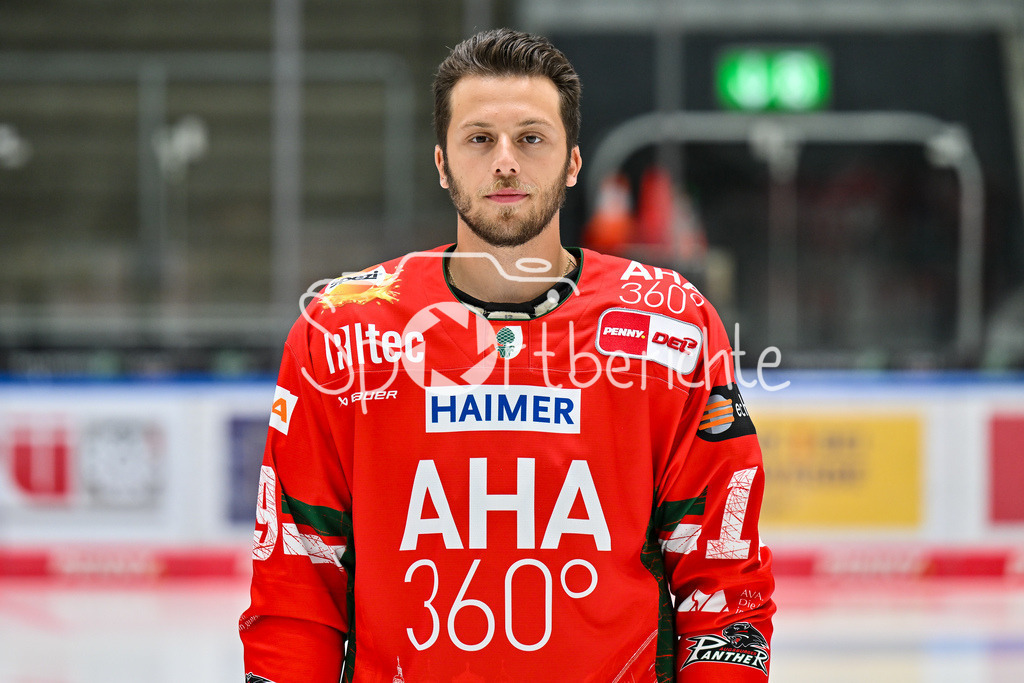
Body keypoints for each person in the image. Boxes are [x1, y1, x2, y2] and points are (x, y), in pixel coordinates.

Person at [240, 28, 775, 682]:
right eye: (479, 138)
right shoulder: (344, 330)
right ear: (441, 162)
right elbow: (296, 582)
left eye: (531, 138)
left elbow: (725, 582)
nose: (505, 162)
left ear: (573, 162)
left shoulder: (670, 322)